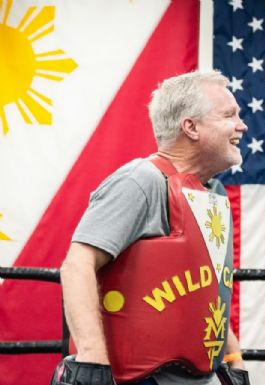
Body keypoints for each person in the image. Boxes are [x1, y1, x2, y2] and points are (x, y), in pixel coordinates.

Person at [53, 71, 250, 385]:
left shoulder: (212, 193)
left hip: (202, 375)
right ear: (191, 127)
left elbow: (210, 288)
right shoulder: (140, 180)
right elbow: (77, 264)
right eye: (229, 115)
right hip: (139, 378)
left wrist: (232, 358)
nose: (242, 125)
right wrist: (92, 360)